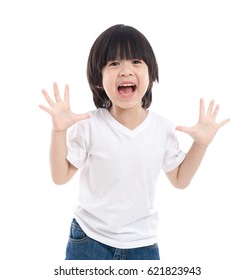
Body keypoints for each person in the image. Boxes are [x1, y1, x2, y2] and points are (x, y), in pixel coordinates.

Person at [39, 24, 229, 260]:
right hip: (89, 239)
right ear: (98, 78)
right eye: (114, 63)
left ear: (151, 75)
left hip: (143, 243)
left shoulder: (162, 128)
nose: (126, 71)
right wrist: (59, 130)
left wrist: (201, 144)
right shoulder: (89, 125)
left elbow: (180, 180)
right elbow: (60, 177)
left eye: (136, 61)